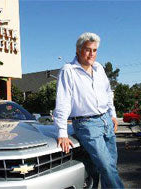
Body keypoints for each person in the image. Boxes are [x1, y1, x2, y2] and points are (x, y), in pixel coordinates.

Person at [53, 32, 124, 188]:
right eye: (87, 49)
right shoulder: (68, 70)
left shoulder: (99, 68)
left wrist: (112, 115)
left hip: (106, 120)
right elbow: (63, 102)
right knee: (107, 167)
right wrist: (62, 132)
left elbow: (108, 93)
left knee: (110, 167)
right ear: (78, 50)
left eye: (95, 50)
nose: (91, 54)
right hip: (87, 124)